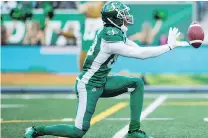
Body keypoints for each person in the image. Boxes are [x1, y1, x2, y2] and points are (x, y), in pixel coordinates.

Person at [24, 1, 186, 138]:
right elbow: (141, 54)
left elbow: (138, 47)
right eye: (122, 14)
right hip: (88, 85)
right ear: (114, 18)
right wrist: (169, 46)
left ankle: (134, 131)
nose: (126, 16)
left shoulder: (116, 32)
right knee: (78, 131)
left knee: (137, 83)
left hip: (101, 81)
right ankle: (37, 130)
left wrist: (167, 46)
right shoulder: (110, 37)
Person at [77, 1, 104, 71]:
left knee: (83, 75)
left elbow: (81, 9)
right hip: (95, 50)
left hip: (87, 50)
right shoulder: (101, 21)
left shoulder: (84, 21)